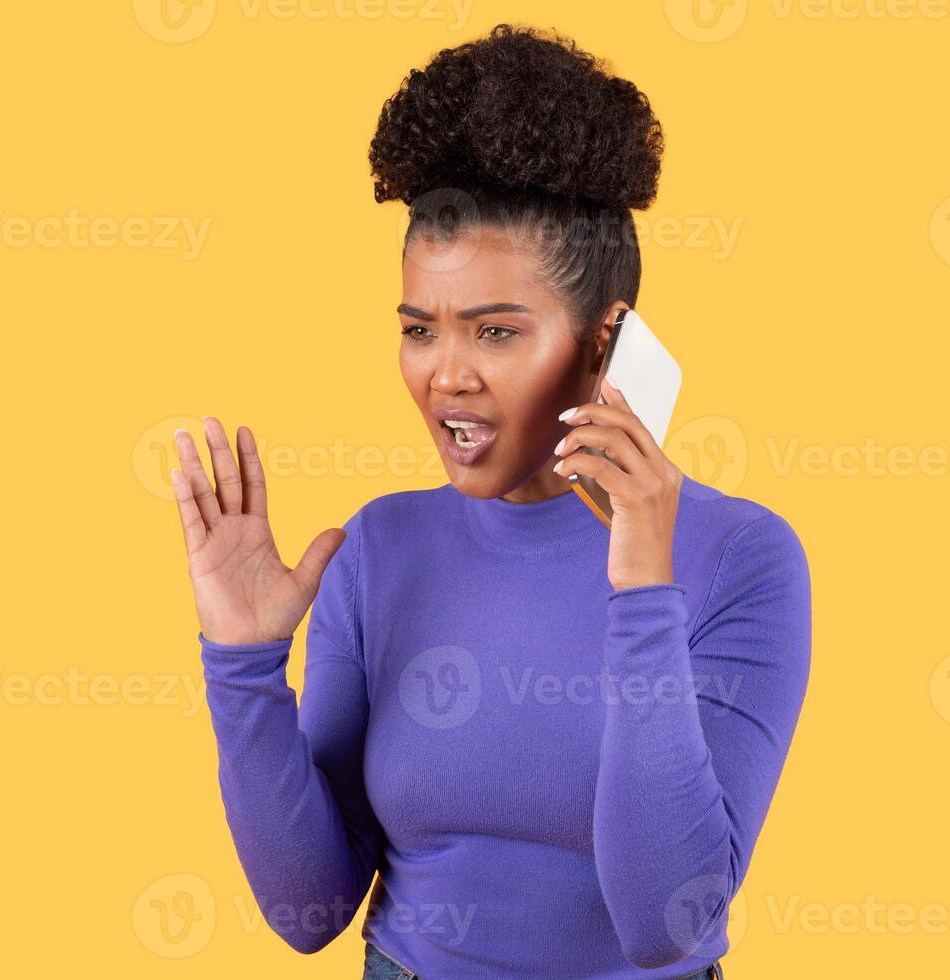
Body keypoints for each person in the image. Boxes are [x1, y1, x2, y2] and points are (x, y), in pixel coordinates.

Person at [168, 24, 810, 979]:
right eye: (420, 329)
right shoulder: (381, 548)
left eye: (496, 331)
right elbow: (310, 910)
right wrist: (243, 666)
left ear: (606, 344)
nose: (445, 376)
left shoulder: (740, 557)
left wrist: (641, 583)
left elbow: (664, 923)